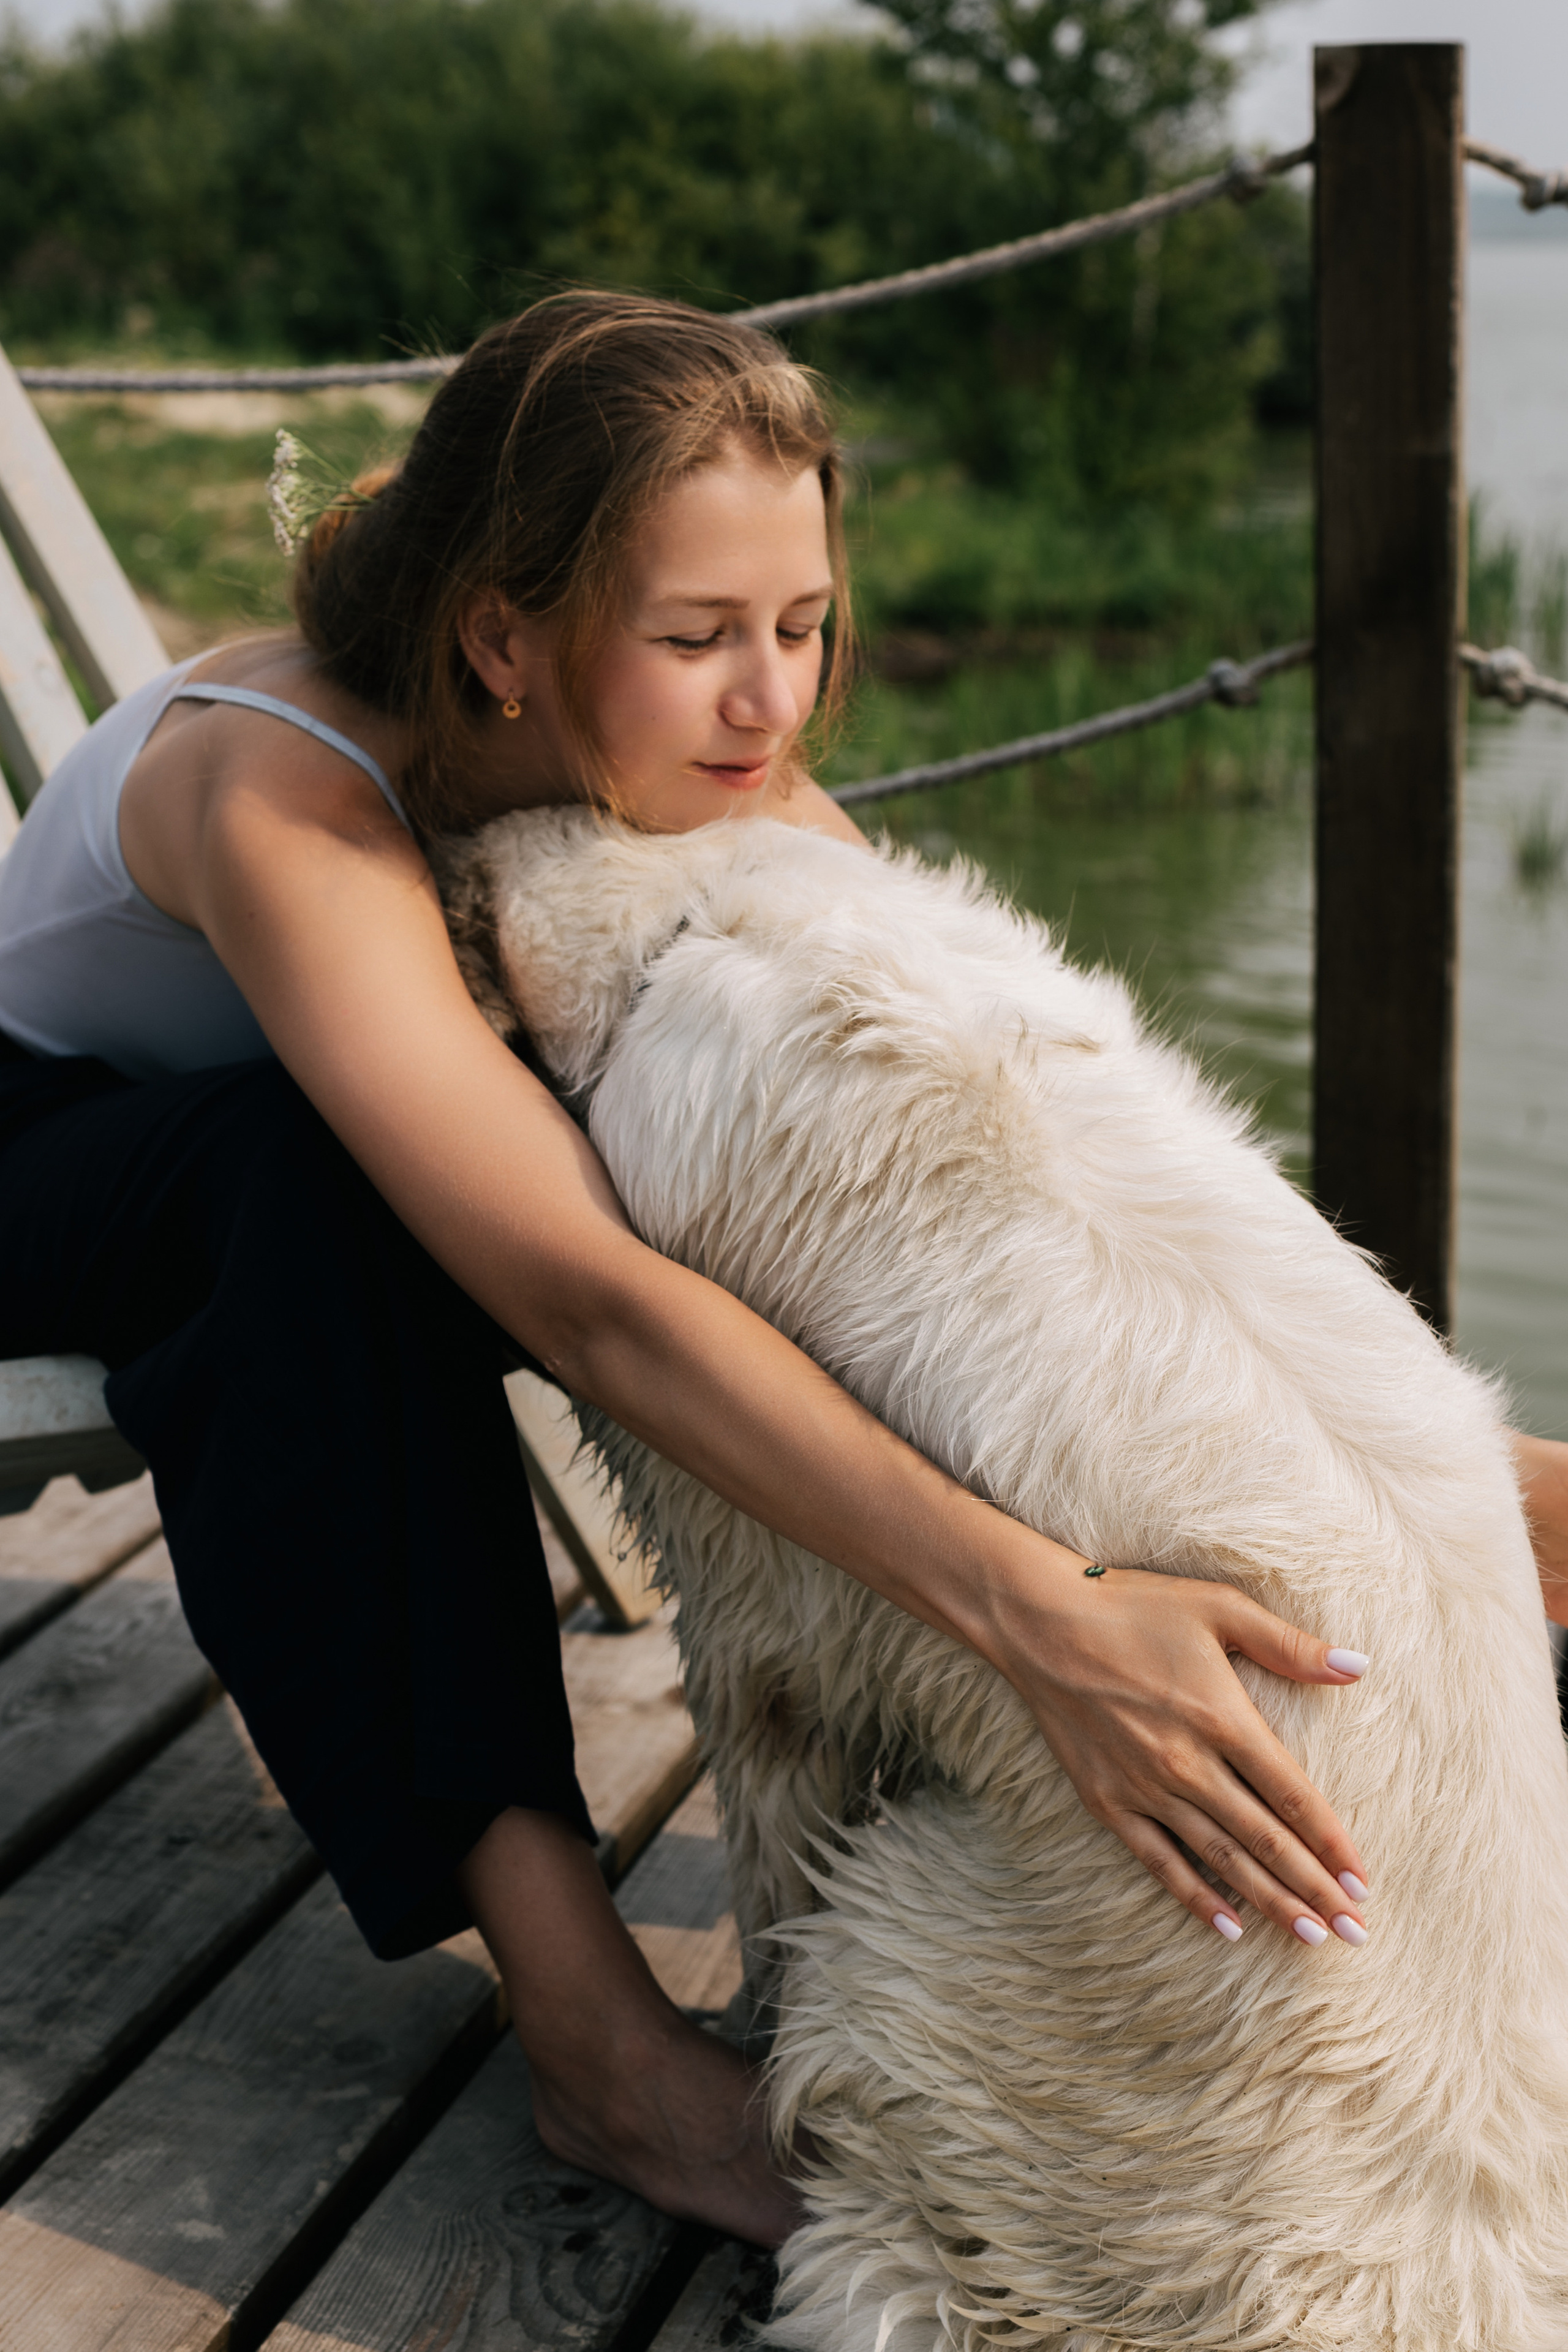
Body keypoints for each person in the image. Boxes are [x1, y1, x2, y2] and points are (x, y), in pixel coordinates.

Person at [0, 290, 1545, 2247]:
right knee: (303, 1195)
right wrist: (1044, 1614)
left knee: (734, 1129)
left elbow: (963, 1174)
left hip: (374, 1190)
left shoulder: (675, 755)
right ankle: (598, 2052)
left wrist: (1429, 1467)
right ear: (503, 636)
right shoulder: (283, 792)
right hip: (47, 1161)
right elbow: (580, 1293)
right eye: (699, 639)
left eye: (802, 626)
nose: (774, 707)